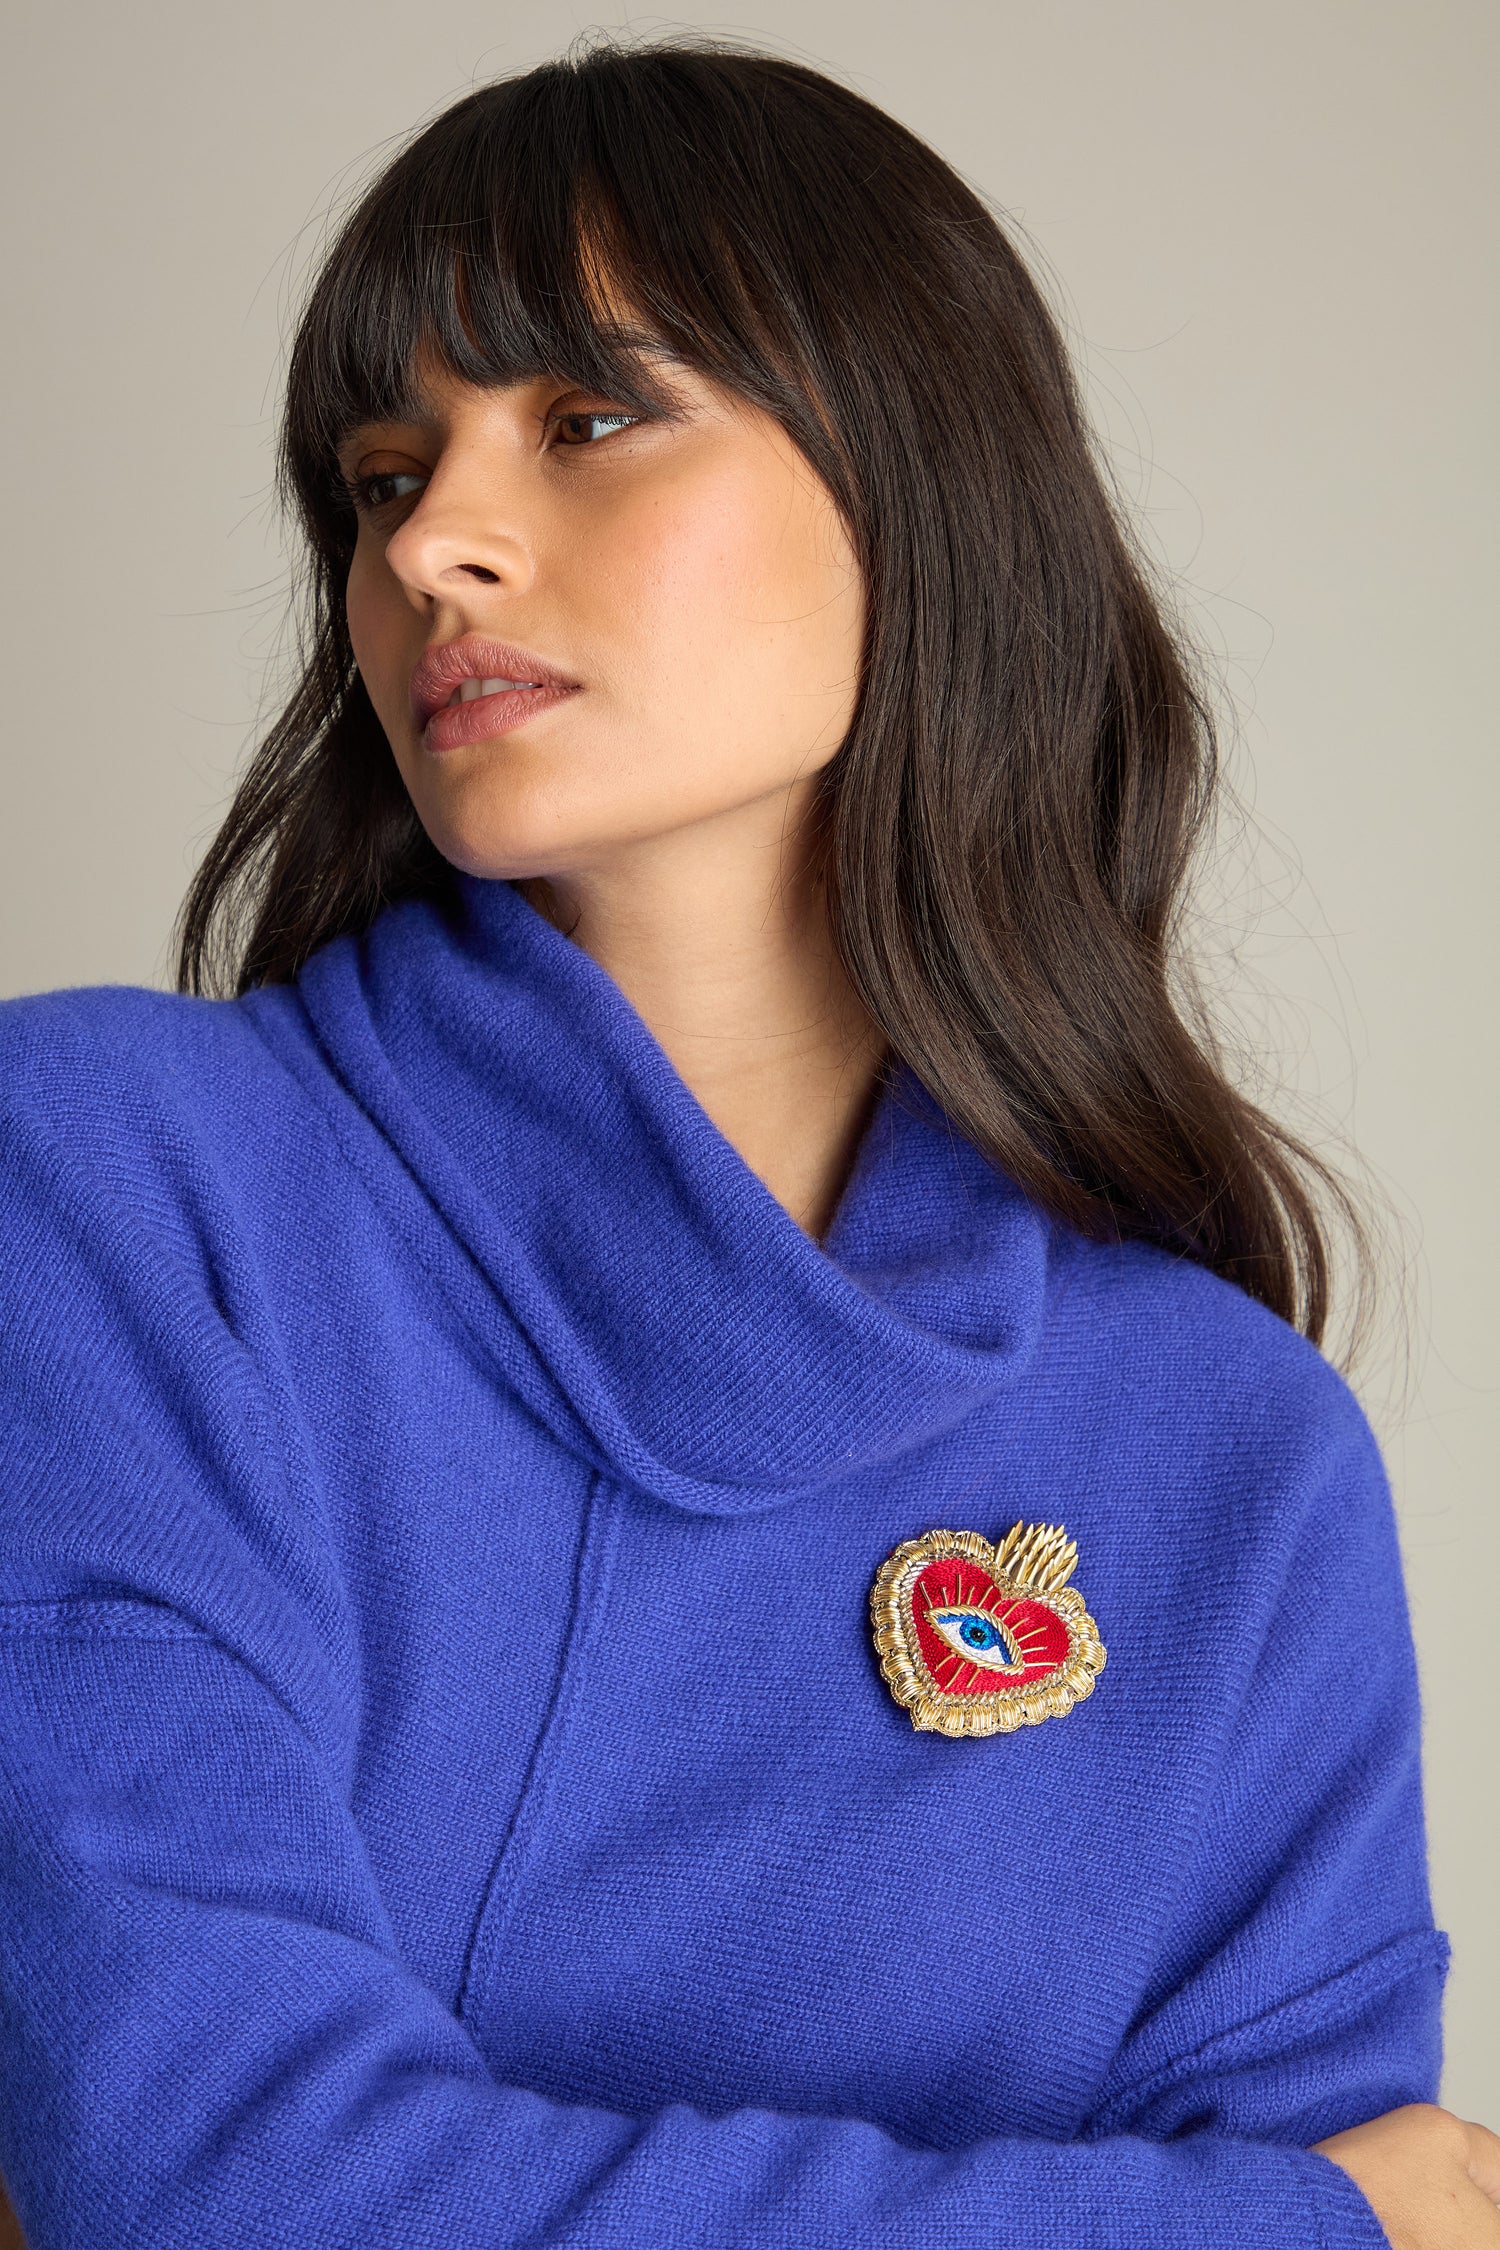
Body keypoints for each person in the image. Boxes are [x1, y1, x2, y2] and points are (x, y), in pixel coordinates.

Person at [0, 32, 1494, 2250]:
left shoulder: (1229, 1453)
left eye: (590, 419)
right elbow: (204, 2176)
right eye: (385, 471)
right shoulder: (118, 1181)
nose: (439, 545)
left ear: (916, 481)